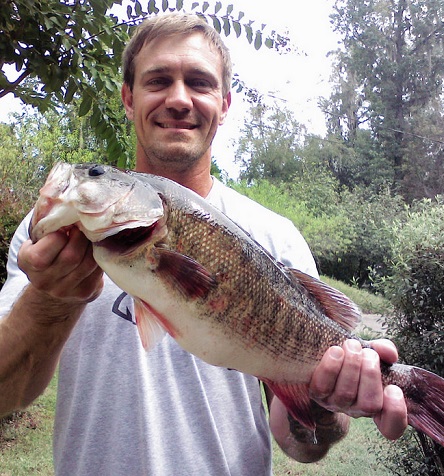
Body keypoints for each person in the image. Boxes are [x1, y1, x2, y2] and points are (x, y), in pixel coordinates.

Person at [0, 13, 407, 475]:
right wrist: (52, 297)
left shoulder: (275, 237)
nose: (178, 98)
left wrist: (322, 405)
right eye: (158, 81)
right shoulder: (48, 242)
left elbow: (303, 444)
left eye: (199, 82)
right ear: (128, 99)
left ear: (224, 102)